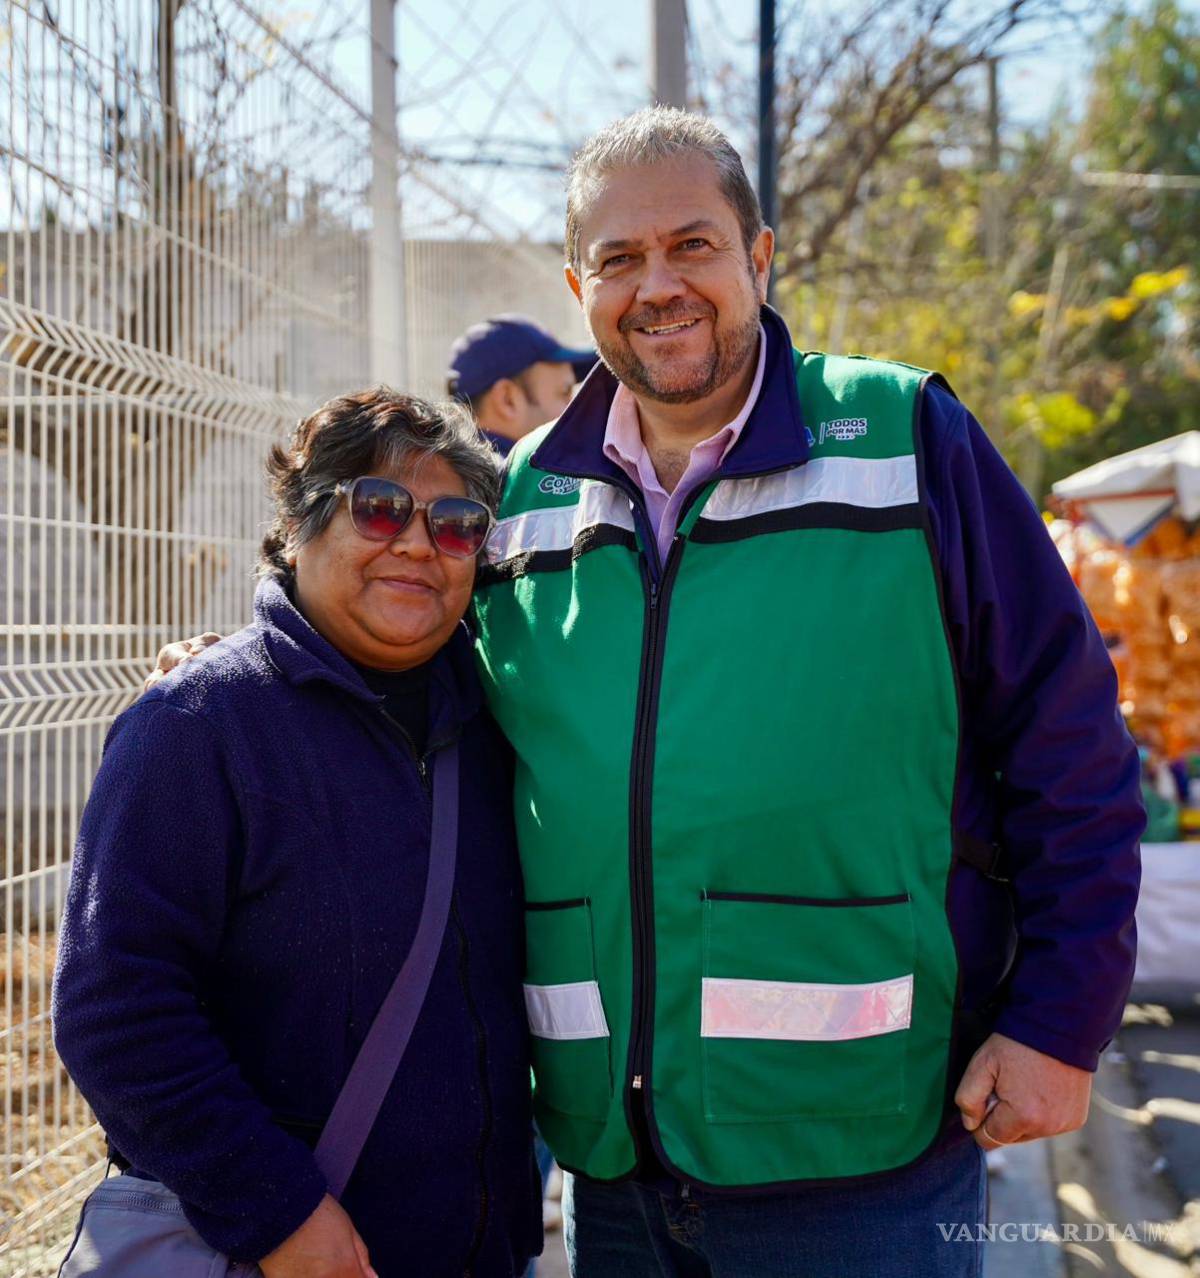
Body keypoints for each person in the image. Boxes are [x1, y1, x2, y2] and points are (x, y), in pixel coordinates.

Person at [150, 109, 1144, 1277]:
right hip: (613, 1168)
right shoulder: (514, 503)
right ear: (579, 285)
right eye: (619, 259)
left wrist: (1059, 1023)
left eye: (693, 245)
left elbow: (1070, 738)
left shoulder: (902, 437)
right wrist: (249, 678)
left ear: (759, 257)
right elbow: (404, 654)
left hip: (860, 1153)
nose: (657, 285)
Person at [54, 390, 541, 1278]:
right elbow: (116, 1010)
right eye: (381, 508)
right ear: (299, 524)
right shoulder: (200, 724)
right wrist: (275, 1214)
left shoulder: (499, 718)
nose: (417, 544)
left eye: (458, 524)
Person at [447, 315, 594, 455]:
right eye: (564, 392)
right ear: (507, 400)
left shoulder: (451, 471)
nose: (576, 409)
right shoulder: (513, 477)